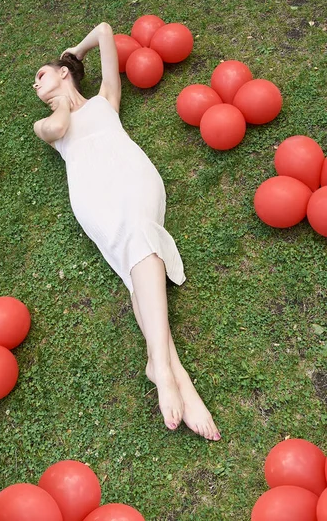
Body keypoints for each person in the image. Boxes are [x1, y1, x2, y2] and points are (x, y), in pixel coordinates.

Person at [33, 22, 221, 441]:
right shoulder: (45, 125)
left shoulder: (106, 99)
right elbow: (58, 128)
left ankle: (166, 368)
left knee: (140, 259)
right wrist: (60, 101)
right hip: (96, 195)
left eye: (41, 75)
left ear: (63, 72)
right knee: (138, 255)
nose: (35, 84)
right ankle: (174, 376)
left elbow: (103, 31)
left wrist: (73, 54)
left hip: (138, 181)